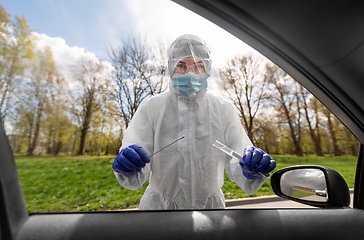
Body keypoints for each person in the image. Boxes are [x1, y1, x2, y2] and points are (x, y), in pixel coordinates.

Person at [112, 34, 276, 210]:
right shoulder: (152, 107)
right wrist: (128, 165)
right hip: (159, 209)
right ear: (171, 68)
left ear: (207, 69)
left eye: (198, 66)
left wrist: (252, 168)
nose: (190, 72)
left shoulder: (223, 109)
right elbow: (137, 162)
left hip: (211, 209)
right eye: (181, 65)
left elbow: (239, 155)